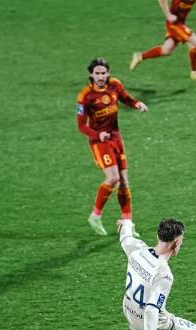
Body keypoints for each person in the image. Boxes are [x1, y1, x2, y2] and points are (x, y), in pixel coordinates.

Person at [76, 58, 148, 236]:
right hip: (100, 143)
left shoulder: (115, 85)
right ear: (91, 75)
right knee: (113, 178)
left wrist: (136, 103)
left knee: (124, 181)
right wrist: (97, 134)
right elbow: (81, 125)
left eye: (103, 73)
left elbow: (125, 98)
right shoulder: (85, 96)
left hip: (116, 138)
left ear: (107, 73)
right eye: (97, 73)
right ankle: (95, 215)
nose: (101, 76)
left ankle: (128, 225)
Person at [129, 0, 196, 81]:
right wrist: (168, 15)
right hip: (174, 24)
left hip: (180, 23)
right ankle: (194, 71)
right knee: (195, 43)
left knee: (166, 50)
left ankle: (140, 56)